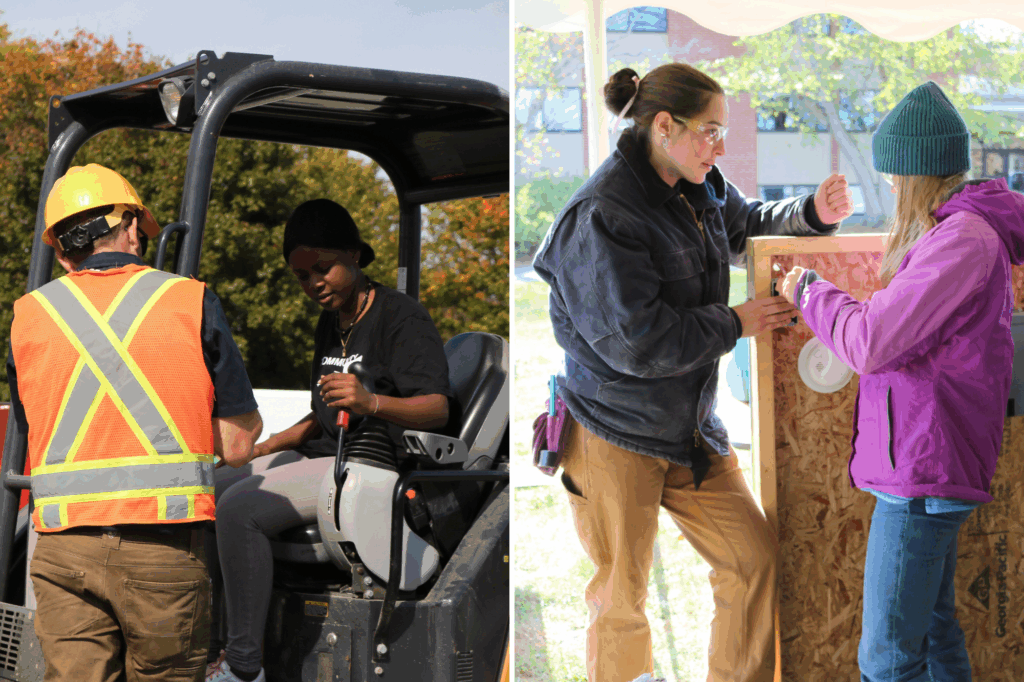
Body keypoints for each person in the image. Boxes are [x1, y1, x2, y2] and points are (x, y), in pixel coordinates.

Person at [531, 63, 854, 682]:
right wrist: (735, 322)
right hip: (612, 431)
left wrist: (810, 211)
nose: (720, 147)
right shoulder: (601, 215)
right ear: (663, 126)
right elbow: (637, 344)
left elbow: (745, 226)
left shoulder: (694, 182)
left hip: (689, 430)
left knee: (752, 561)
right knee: (622, 599)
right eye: (710, 131)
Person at [780, 81, 1024, 682]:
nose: (890, 187)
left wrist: (810, 291)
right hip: (925, 461)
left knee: (887, 659)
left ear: (918, 174)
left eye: (894, 176)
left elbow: (870, 341)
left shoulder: (962, 240)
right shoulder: (955, 232)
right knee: (935, 631)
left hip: (922, 471)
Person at [6, 163, 264, 682]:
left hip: (61, 553)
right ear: (128, 226)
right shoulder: (189, 299)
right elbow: (237, 446)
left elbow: (37, 427)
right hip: (162, 553)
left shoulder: (28, 316)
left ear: (62, 251)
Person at [205, 198, 457, 682]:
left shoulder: (401, 317)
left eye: (323, 269)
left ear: (354, 256)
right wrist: (262, 449)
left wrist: (371, 402)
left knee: (239, 510)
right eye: (302, 276)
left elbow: (437, 408)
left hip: (371, 465)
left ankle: (244, 667)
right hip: (327, 454)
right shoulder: (332, 319)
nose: (314, 284)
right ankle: (214, 643)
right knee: (211, 490)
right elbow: (322, 416)